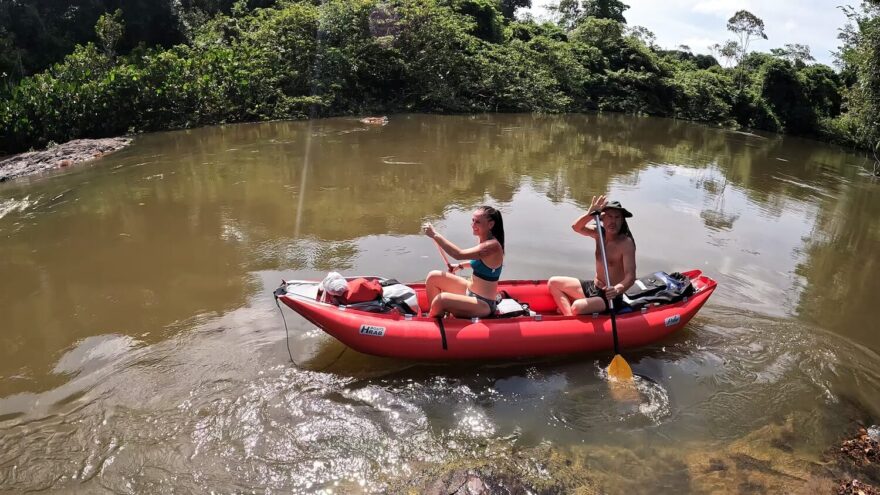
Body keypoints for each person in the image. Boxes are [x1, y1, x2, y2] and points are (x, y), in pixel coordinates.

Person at [548, 195, 636, 316]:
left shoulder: (626, 243)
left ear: (622, 220)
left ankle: (571, 317)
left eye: (617, 217)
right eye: (609, 216)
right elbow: (576, 227)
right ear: (603, 218)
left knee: (576, 307)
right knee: (553, 282)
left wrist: (617, 289)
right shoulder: (598, 233)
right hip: (594, 286)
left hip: (610, 296)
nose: (613, 221)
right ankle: (569, 319)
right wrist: (590, 213)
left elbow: (630, 277)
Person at [422, 206, 505, 318]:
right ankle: (438, 316)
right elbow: (481, 262)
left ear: (490, 224)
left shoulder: (492, 246)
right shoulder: (483, 239)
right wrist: (460, 266)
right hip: (469, 291)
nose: (473, 225)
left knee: (441, 300)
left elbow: (458, 254)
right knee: (433, 277)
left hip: (483, 304)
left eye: (478, 222)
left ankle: (433, 320)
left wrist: (435, 235)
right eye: (473, 220)